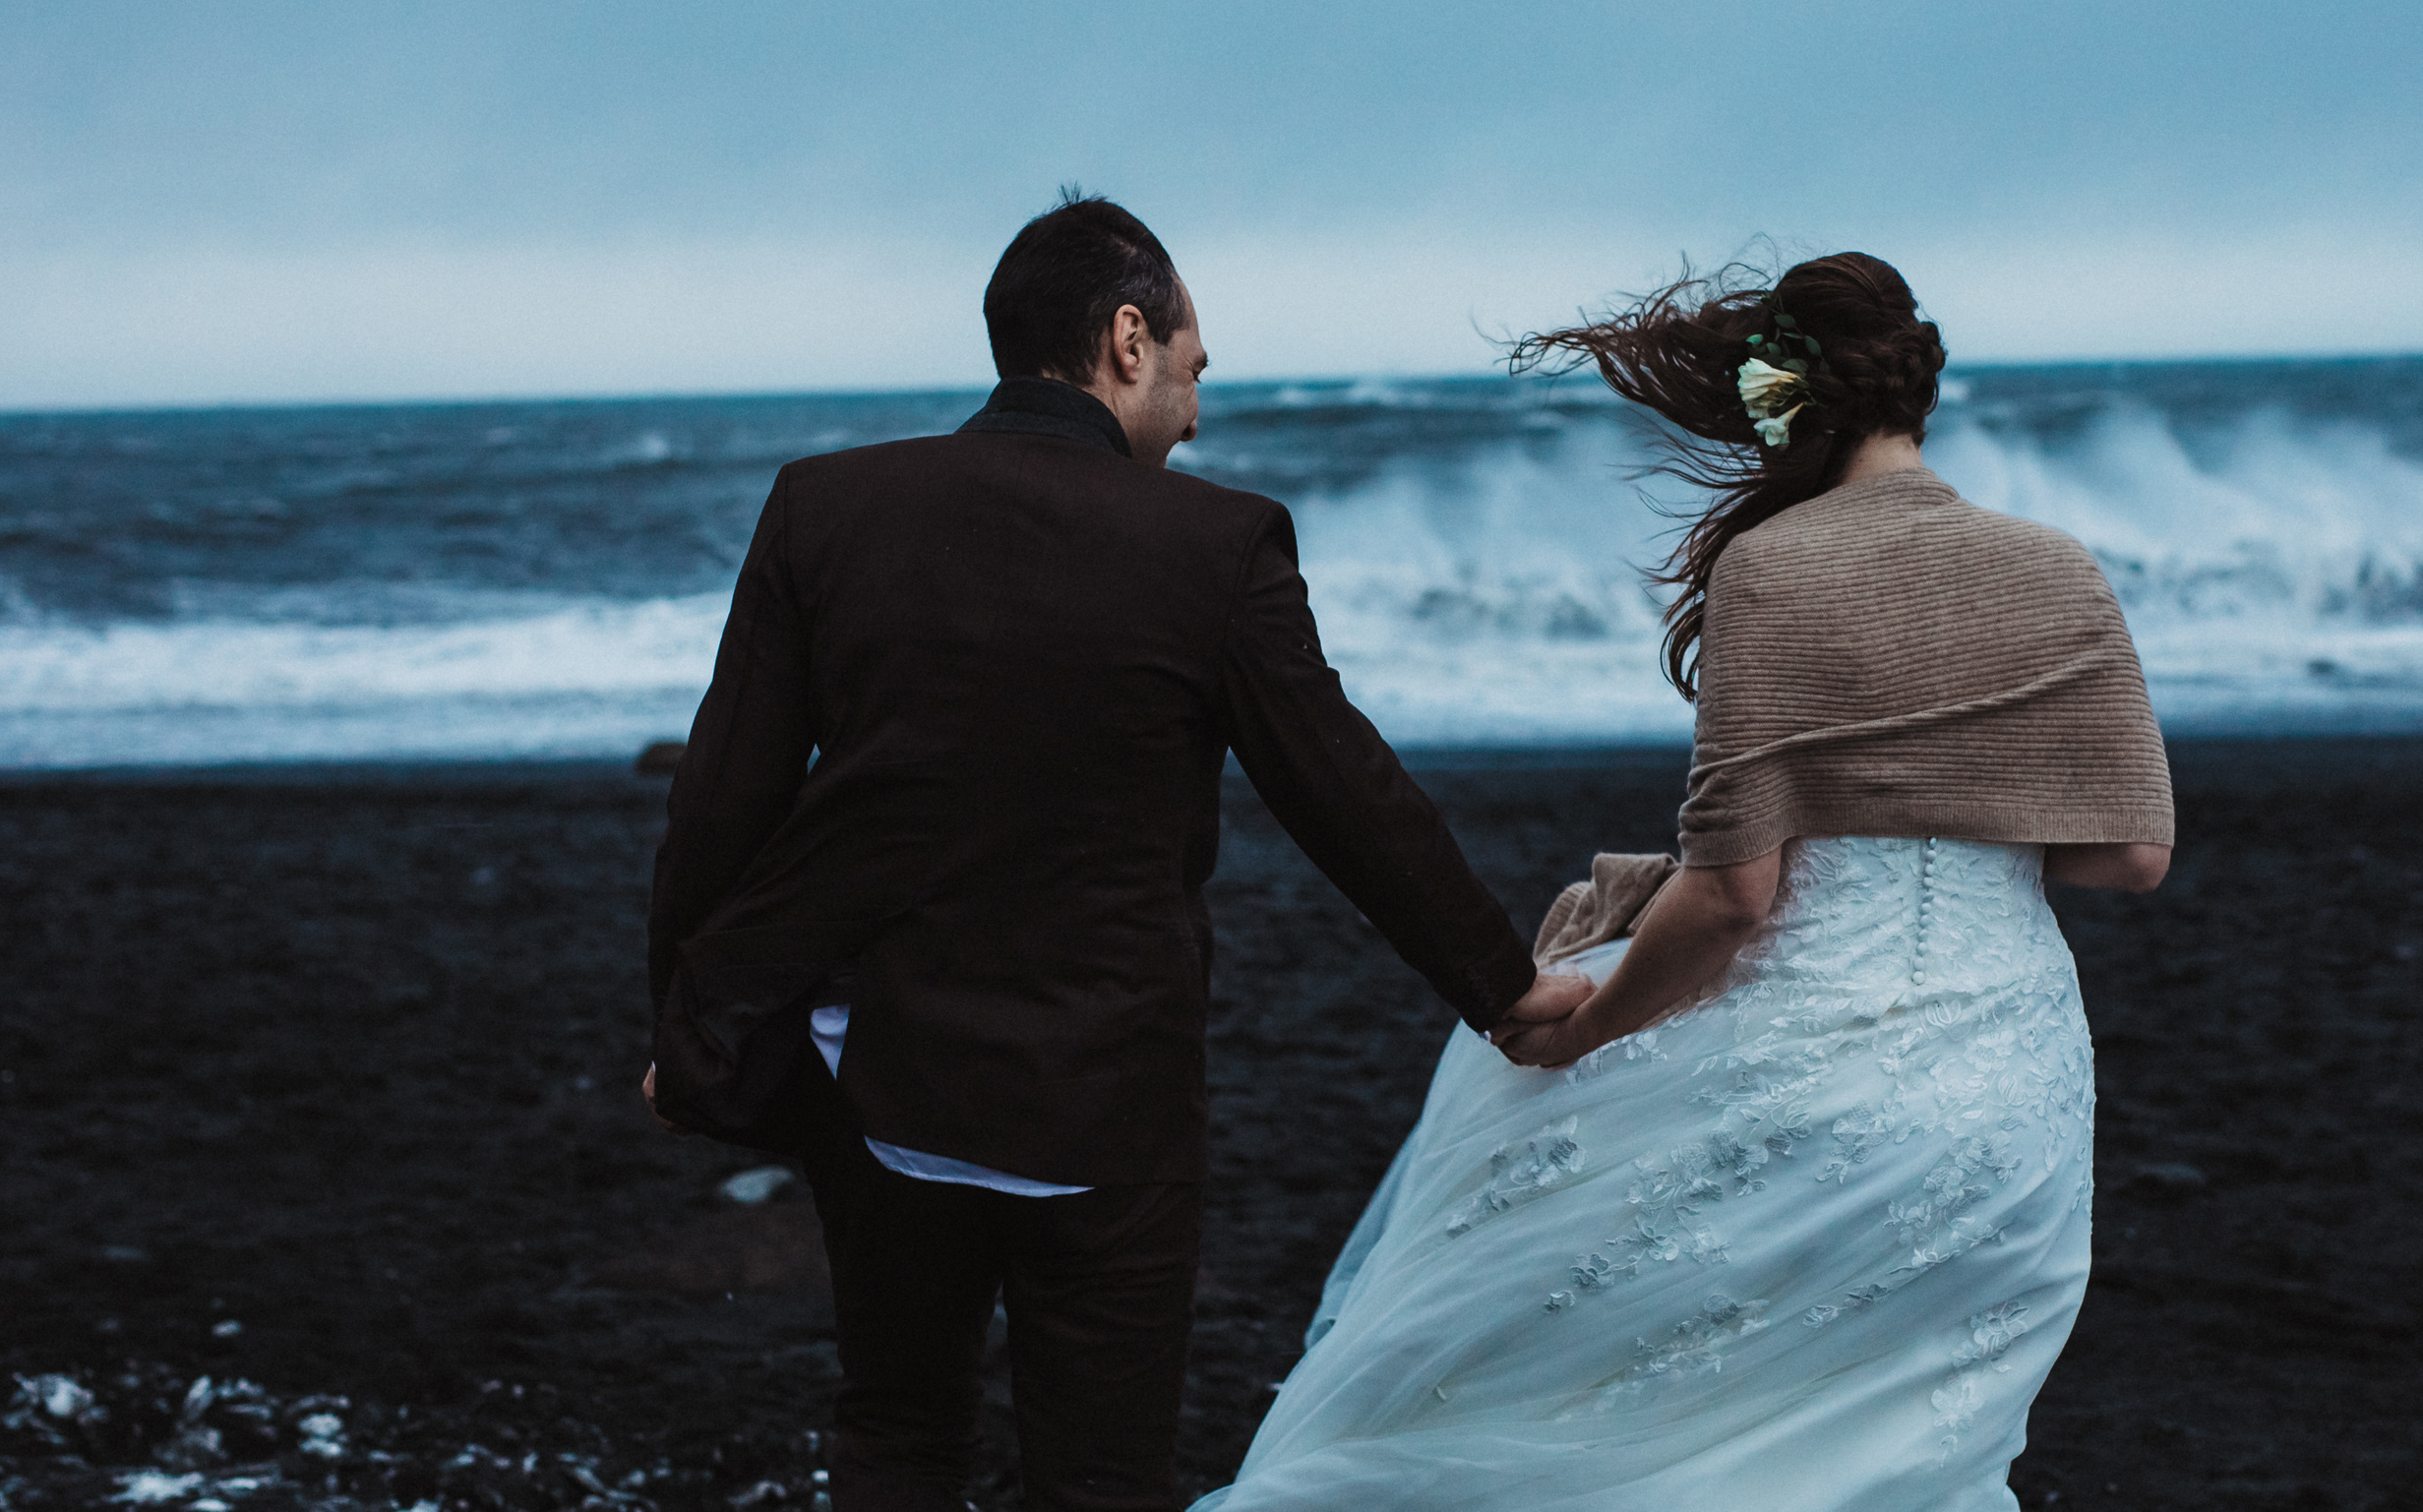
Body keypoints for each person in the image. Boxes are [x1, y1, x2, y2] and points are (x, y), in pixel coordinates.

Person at [639, 192, 1590, 1512]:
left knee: (900, 1431)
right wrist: (1503, 985)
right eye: (1195, 371)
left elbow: (723, 798)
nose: (1197, 414)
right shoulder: (1215, 545)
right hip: (1102, 1097)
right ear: (1128, 338)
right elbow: (1346, 792)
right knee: (1100, 1475)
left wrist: (686, 1030)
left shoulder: (826, 508)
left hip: (883, 1083)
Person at [1191, 252, 2175, 1511]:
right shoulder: (2060, 567)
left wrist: (1588, 1026)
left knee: (1562, 1295)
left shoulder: (1776, 566)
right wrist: (1953, 806)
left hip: (1821, 1047)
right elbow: (2130, 856)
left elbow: (1734, 898)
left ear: (1787, 402)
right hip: (2010, 1098)